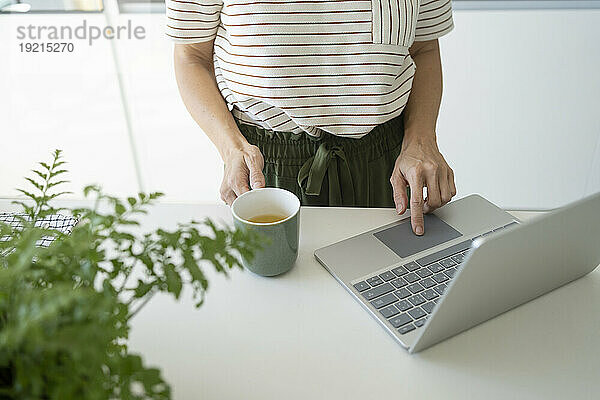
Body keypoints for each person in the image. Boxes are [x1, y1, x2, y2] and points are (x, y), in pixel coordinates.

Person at [167, 0, 456, 235]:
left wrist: (421, 140)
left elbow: (423, 48)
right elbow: (192, 55)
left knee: (395, 292)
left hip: (390, 166)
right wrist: (231, 149)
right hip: (266, 168)